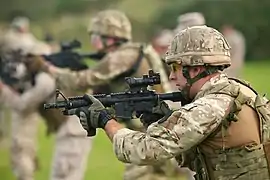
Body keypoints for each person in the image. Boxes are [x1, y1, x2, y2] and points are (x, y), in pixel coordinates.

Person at [74, 26, 270, 180]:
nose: (171, 76)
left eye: (176, 67)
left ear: (195, 69)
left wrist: (106, 121)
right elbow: (207, 156)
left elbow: (146, 150)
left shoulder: (210, 106)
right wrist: (160, 121)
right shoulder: (237, 90)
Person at [25, 9, 181, 180]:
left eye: (96, 37)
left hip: (147, 131)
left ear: (111, 37)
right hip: (153, 126)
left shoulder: (121, 56)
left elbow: (82, 80)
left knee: (139, 175)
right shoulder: (134, 51)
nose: (93, 42)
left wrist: (47, 68)